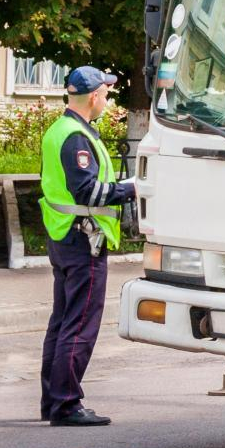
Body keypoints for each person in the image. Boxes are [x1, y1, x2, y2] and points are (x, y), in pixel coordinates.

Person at [39, 66, 137, 426]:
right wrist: (132, 188)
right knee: (79, 324)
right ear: (94, 96)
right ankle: (66, 405)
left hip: (65, 237)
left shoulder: (60, 130)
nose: (107, 99)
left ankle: (52, 401)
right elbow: (88, 192)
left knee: (62, 322)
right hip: (84, 240)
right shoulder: (76, 138)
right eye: (106, 94)